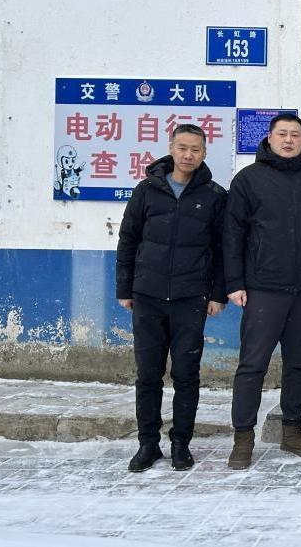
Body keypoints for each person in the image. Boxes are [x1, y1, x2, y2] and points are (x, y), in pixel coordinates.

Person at [115, 124, 227, 472]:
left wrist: (217, 294)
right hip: (147, 296)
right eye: (182, 148)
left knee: (186, 374)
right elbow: (128, 239)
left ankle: (181, 444)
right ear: (171, 148)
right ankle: (148, 444)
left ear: (204, 153)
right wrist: (125, 288)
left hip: (190, 298)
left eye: (195, 149)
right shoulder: (147, 190)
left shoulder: (214, 195)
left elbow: (222, 249)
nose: (188, 155)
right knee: (148, 375)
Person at [223, 113, 301, 469]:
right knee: (252, 365)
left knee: (298, 364)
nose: (288, 140)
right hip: (262, 290)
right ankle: (243, 437)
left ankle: (292, 430)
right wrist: (234, 283)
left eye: (295, 134)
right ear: (269, 138)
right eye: (282, 134)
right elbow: (232, 235)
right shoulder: (249, 180)